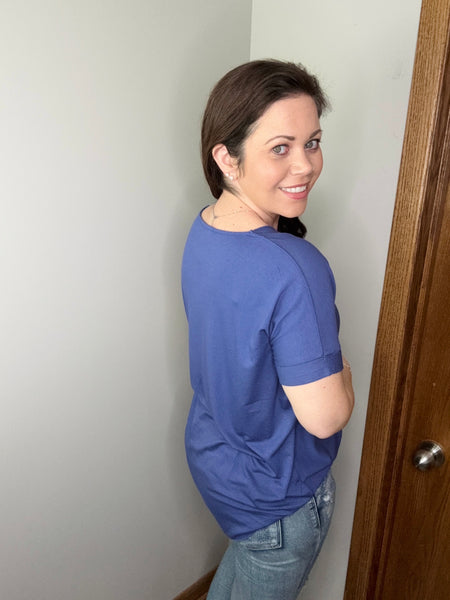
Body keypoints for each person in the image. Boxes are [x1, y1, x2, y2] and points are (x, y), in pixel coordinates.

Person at [181, 59, 354, 600]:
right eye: (281, 147)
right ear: (226, 158)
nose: (305, 165)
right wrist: (346, 373)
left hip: (221, 464)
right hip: (276, 497)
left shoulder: (205, 228)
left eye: (313, 142)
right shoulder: (295, 267)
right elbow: (326, 417)